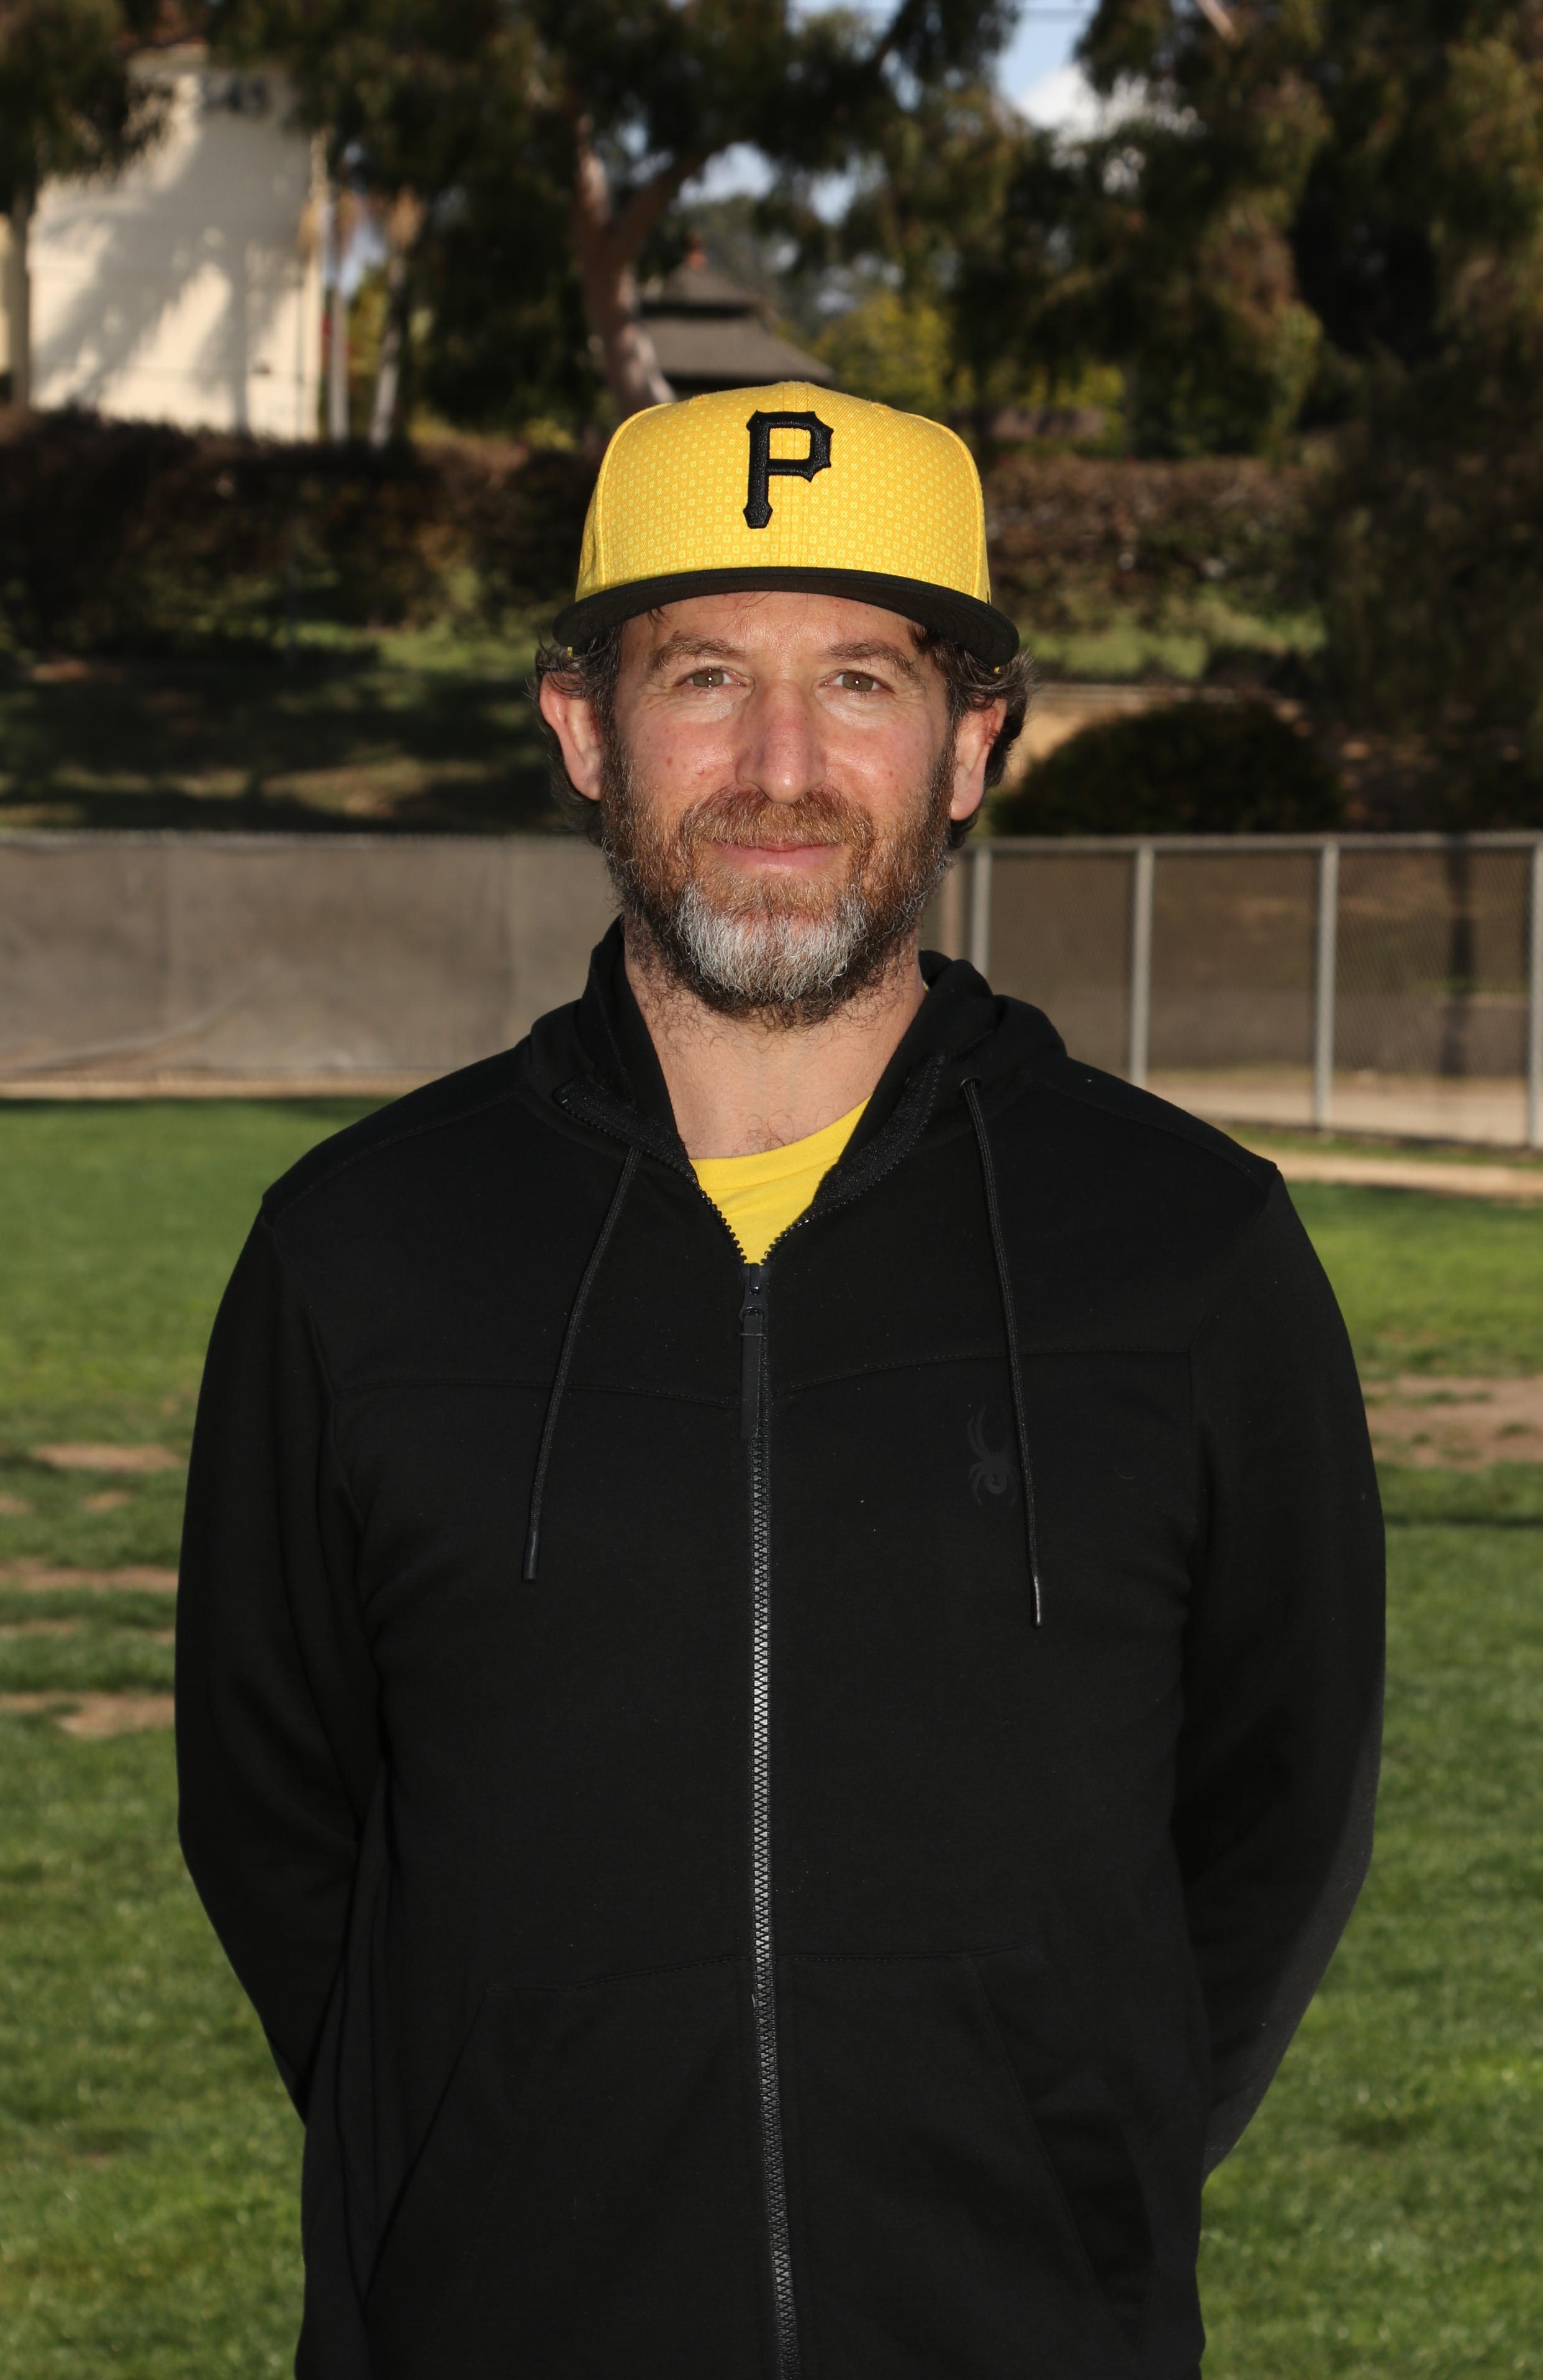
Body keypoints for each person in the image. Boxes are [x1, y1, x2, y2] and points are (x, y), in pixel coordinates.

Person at [177, 384, 1385, 2380]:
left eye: (862, 681)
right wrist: (475, 2138)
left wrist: (1067, 2153)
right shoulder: (359, 1254)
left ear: (971, 744)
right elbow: (271, 1815)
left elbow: (1282, 1805)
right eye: (706, 676)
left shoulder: (1187, 1251)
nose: (781, 768)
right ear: (585, 728)